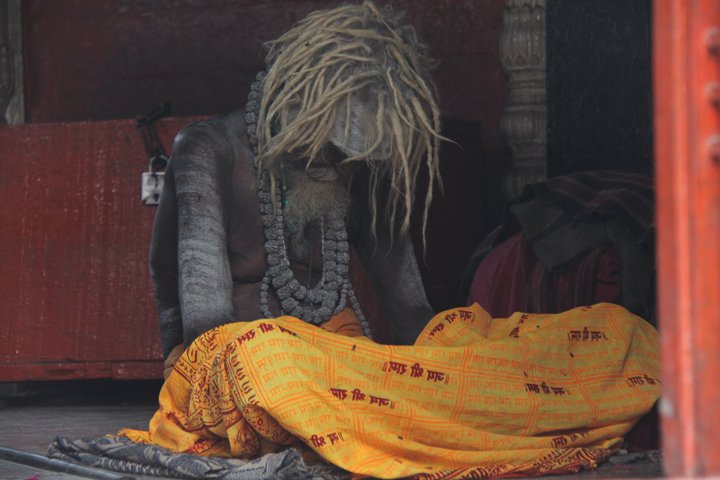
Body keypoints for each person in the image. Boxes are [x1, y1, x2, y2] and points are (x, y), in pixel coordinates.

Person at [149, 1, 444, 372]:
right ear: (294, 108)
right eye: (332, 148)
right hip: (242, 366)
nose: (340, 166)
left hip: (338, 370)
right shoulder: (210, 149)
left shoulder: (360, 167)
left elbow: (411, 309)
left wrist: (440, 372)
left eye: (352, 156)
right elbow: (204, 322)